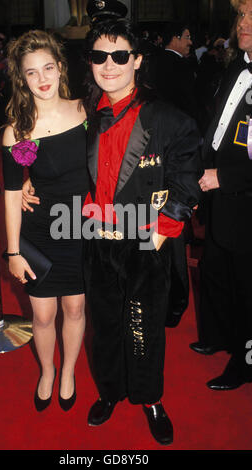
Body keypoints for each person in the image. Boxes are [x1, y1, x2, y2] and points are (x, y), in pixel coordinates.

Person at [81, 18, 201, 445]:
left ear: (136, 60)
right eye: (99, 56)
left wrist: (164, 229)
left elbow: (190, 172)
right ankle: (111, 391)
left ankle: (150, 398)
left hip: (145, 243)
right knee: (107, 324)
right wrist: (26, 183)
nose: (108, 65)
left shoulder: (164, 117)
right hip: (97, 242)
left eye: (119, 55)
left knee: (143, 325)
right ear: (91, 63)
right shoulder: (86, 117)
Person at [2, 30, 89, 412]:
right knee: (42, 312)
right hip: (40, 230)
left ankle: (69, 370)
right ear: (21, 79)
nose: (42, 79)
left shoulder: (86, 112)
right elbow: (9, 191)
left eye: (48, 67)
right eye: (31, 72)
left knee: (74, 309)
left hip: (81, 227)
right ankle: (48, 371)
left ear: (60, 67)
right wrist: (13, 252)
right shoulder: (20, 132)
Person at [189, 0, 252, 391]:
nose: (244, 23)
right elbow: (221, 126)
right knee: (215, 270)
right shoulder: (236, 65)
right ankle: (219, 336)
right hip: (217, 194)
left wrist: (223, 178)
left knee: (248, 288)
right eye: (243, 15)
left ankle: (245, 360)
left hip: (243, 198)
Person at [152, 23, 198, 122]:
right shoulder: (182, 65)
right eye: (187, 37)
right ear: (174, 39)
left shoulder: (155, 60)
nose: (190, 42)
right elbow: (189, 100)